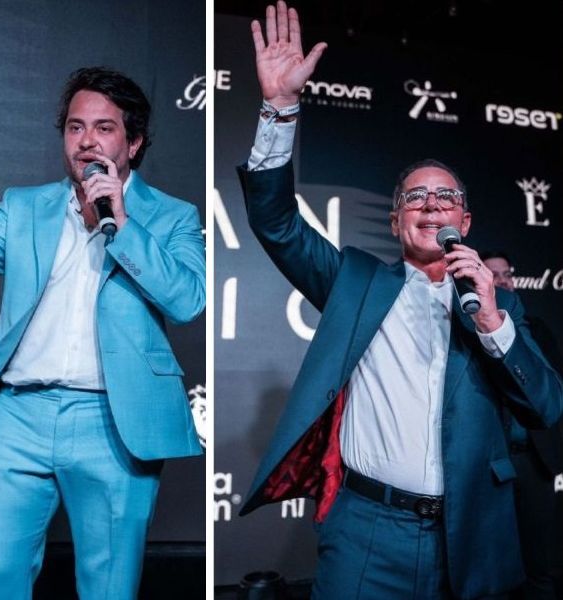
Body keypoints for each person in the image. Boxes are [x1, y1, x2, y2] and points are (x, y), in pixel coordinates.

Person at [236, 2, 563, 598]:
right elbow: (276, 223)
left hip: (471, 535)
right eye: (416, 197)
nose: (431, 204)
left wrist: (493, 320)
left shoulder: (502, 308)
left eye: (446, 197)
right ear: (395, 222)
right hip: (365, 532)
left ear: (465, 220)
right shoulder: (355, 282)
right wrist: (279, 108)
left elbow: (546, 407)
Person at [0, 66, 204, 599]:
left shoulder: (172, 217)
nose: (86, 140)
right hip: (18, 417)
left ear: (134, 142)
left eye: (103, 128)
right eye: (75, 127)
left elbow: (188, 299)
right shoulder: (24, 206)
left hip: (114, 422)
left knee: (109, 587)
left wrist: (123, 224)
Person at [481, 250, 563, 600]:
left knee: (541, 566)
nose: (502, 281)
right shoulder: (470, 327)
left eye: (506, 274)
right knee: (491, 569)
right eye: (493, 274)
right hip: (490, 465)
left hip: (534, 461)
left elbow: (552, 392)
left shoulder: (537, 329)